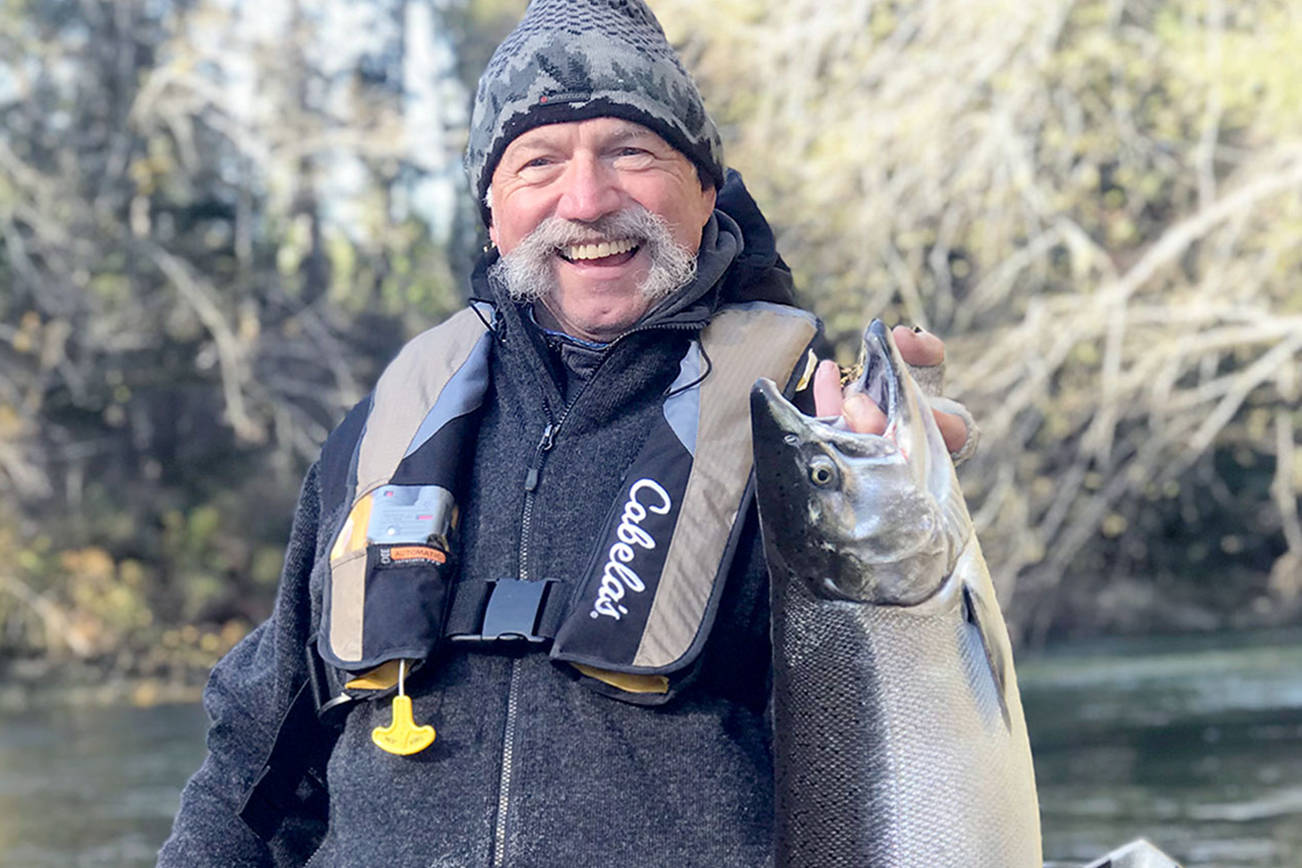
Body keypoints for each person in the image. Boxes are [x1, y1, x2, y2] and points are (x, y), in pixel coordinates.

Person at [159, 1, 974, 865]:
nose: (585, 202)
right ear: (490, 212)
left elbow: (915, 746)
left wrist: (921, 487)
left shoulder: (814, 437)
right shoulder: (383, 434)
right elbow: (253, 764)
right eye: (538, 162)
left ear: (705, 189)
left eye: (631, 152)